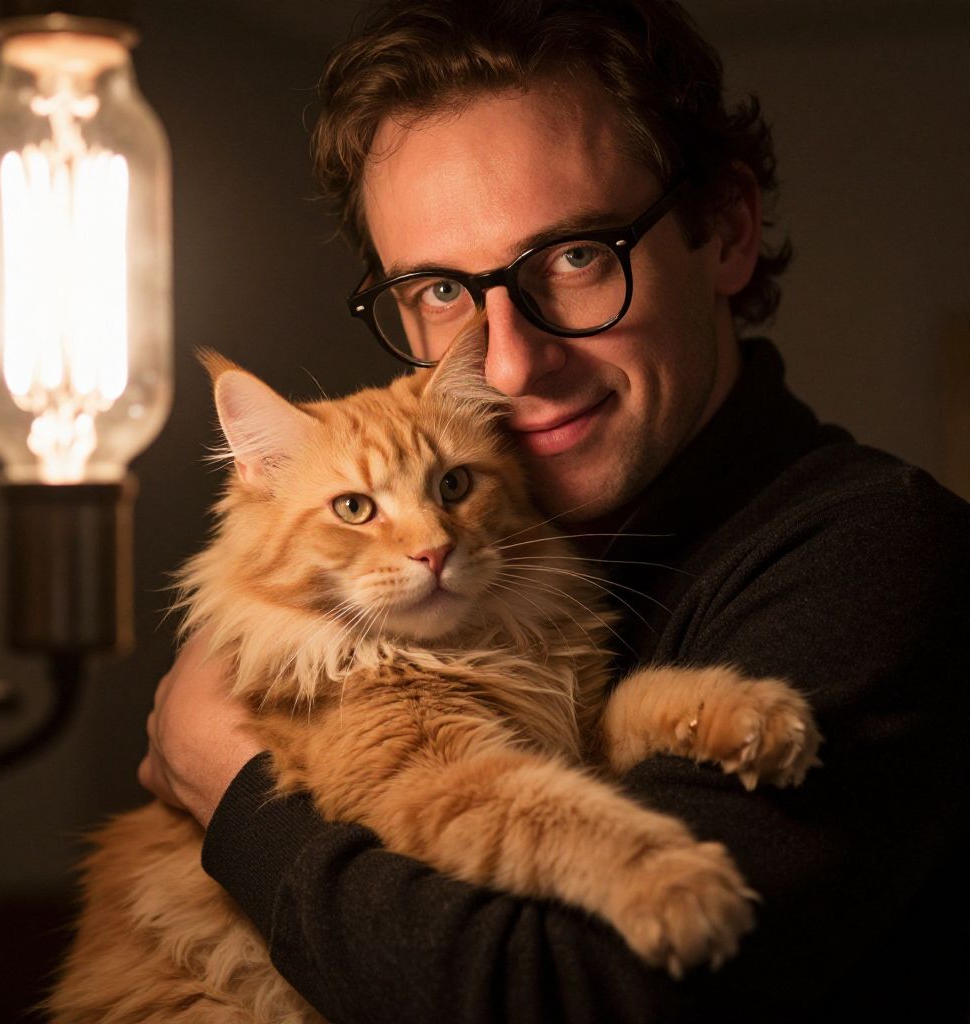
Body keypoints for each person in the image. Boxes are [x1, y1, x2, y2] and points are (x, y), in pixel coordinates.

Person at [137, 1, 970, 1021]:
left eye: (577, 256)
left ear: (726, 231)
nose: (510, 364)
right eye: (441, 289)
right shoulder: (509, 563)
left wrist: (233, 791)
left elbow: (572, 990)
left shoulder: (874, 554)